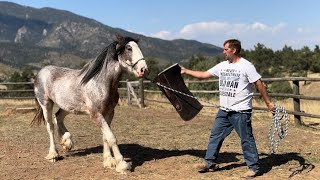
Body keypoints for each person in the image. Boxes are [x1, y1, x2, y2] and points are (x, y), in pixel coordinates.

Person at [180, 39, 275, 178]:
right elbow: (203, 75)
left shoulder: (246, 66)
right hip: (224, 110)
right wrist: (185, 70)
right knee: (215, 135)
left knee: (246, 139)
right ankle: (209, 163)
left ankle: (254, 168)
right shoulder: (222, 66)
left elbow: (259, 84)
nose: (223, 52)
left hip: (241, 111)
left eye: (225, 49)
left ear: (234, 50)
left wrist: (268, 103)